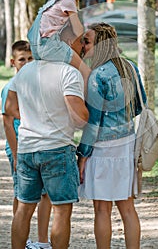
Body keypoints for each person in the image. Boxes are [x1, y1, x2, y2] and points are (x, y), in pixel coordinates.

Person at [5, 36, 89, 249]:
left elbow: (10, 108)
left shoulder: (25, 71)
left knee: (24, 208)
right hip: (57, 148)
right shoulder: (68, 72)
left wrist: (33, 117)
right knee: (61, 210)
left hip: (26, 149)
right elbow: (80, 116)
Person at [76, 22, 147, 249]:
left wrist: (82, 155)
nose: (83, 45)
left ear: (102, 45)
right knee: (127, 208)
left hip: (103, 149)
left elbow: (94, 122)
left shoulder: (97, 76)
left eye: (87, 41)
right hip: (127, 142)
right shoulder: (131, 67)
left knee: (102, 209)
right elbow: (140, 105)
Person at [1, 40, 52, 249]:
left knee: (45, 194)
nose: (27, 62)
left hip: (40, 144)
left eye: (31, 58)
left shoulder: (38, 85)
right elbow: (7, 123)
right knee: (22, 195)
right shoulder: (10, 88)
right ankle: (21, 237)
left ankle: (42, 240)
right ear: (13, 62)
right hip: (20, 147)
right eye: (22, 59)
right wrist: (16, 154)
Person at [27, 0, 88, 73]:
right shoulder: (69, 1)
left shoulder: (55, 1)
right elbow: (78, 31)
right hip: (50, 45)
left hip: (36, 47)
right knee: (85, 71)